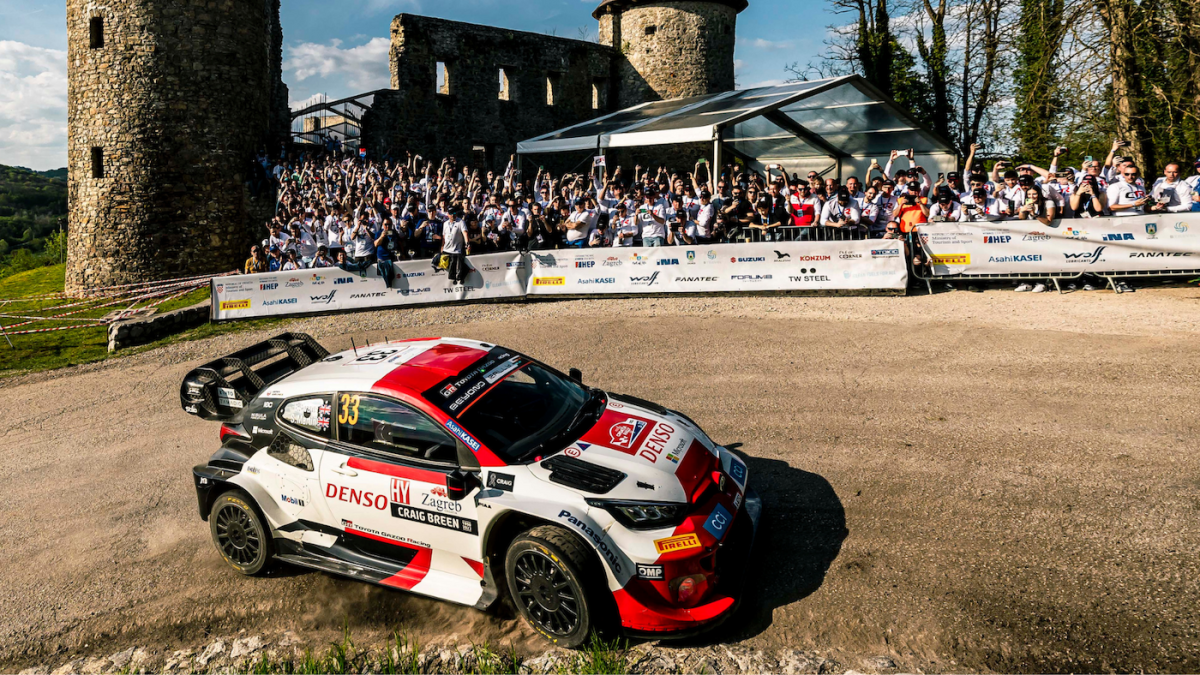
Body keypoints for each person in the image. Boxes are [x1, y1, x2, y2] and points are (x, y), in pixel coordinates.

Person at [442, 208, 469, 284]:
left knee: (459, 267)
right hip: (446, 249)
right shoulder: (445, 223)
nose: (453, 215)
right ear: (448, 214)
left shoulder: (461, 222)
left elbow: (465, 233)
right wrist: (442, 246)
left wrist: (467, 243)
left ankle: (459, 279)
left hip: (456, 250)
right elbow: (444, 236)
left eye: (454, 213)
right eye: (451, 213)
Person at [374, 220, 404, 288]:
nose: (387, 226)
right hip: (383, 258)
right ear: (383, 225)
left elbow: (399, 243)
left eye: (389, 225)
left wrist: (402, 253)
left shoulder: (394, 233)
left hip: (393, 257)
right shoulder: (379, 233)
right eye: (386, 225)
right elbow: (375, 244)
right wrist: (382, 236)